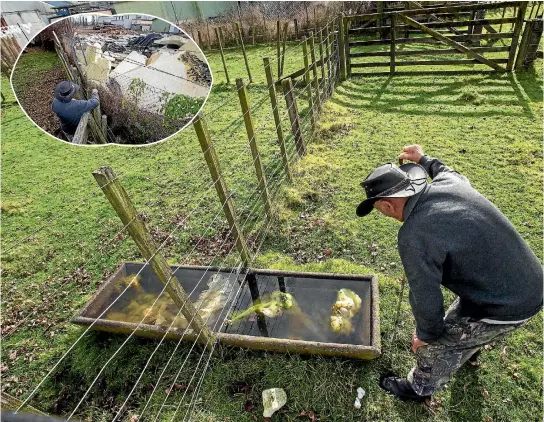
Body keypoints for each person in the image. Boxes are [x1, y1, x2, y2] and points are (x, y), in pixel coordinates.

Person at [356, 144, 543, 402]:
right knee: (461, 322)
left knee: (435, 346)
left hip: (509, 303)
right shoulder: (449, 183)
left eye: (378, 209)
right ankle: (470, 346)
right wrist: (424, 159)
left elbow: (426, 297)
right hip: (522, 279)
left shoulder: (414, 236)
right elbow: (446, 169)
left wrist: (426, 336)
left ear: (386, 205)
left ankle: (418, 389)